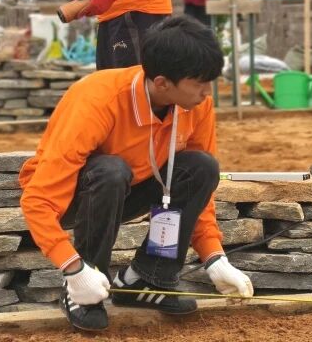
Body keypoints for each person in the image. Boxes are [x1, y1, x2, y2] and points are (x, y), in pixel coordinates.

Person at [19, 17, 254, 332]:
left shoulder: (196, 105)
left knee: (201, 167)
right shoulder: (97, 99)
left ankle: (147, 278)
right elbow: (38, 200)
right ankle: (85, 286)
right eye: (199, 83)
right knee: (110, 170)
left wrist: (214, 256)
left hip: (134, 188)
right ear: (162, 83)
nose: (207, 92)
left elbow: (198, 189)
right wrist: (73, 268)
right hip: (78, 197)